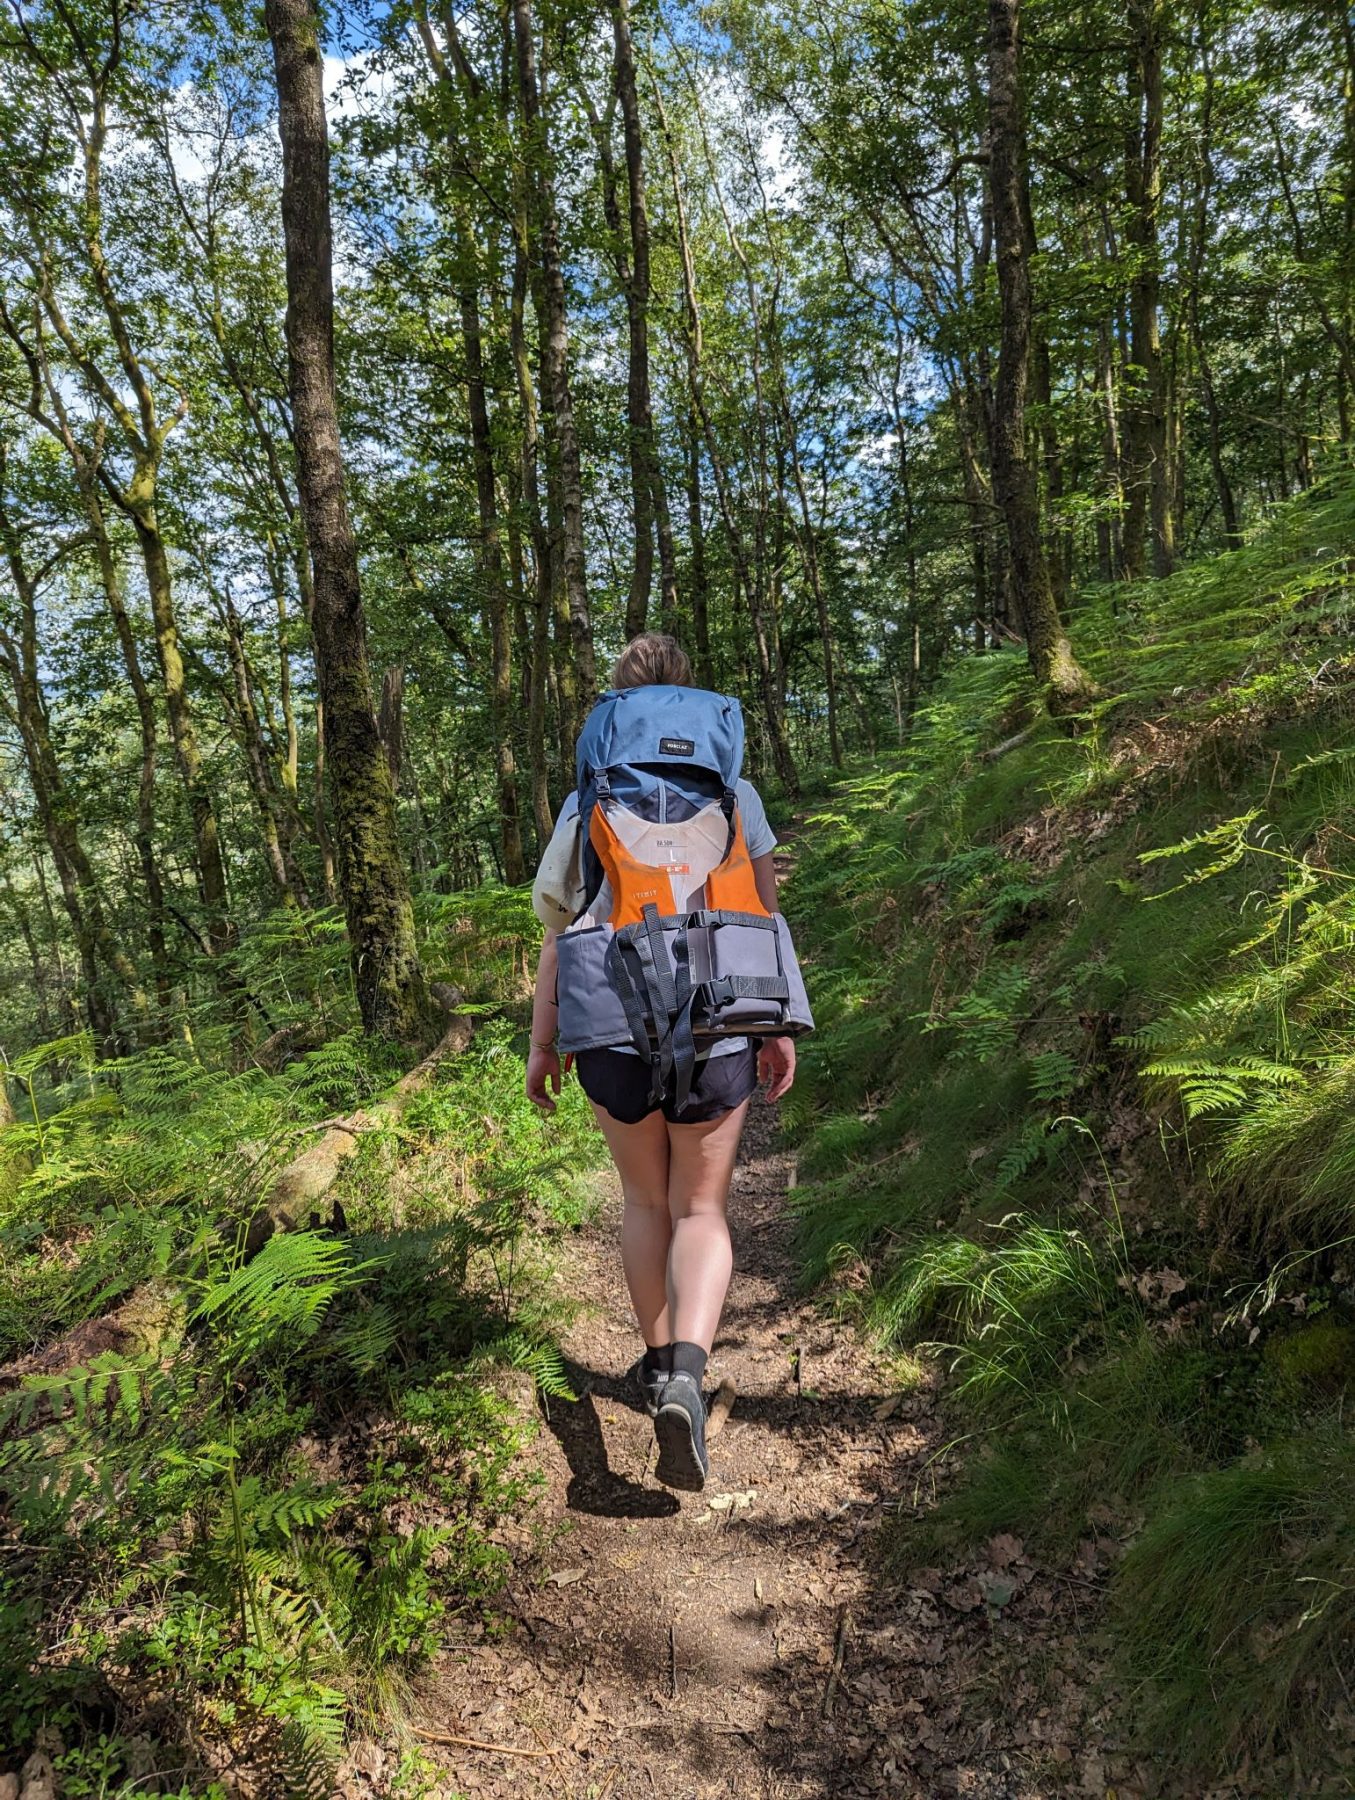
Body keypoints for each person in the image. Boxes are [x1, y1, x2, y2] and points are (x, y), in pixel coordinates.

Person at [525, 633, 796, 1492]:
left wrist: (542, 1042)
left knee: (644, 1199)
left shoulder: (585, 802)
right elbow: (760, 913)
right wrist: (777, 1021)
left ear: (614, 709)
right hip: (718, 1017)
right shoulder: (735, 792)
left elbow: (558, 933)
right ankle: (687, 1370)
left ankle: (651, 1364)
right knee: (702, 1209)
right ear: (693, 704)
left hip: (607, 1017)